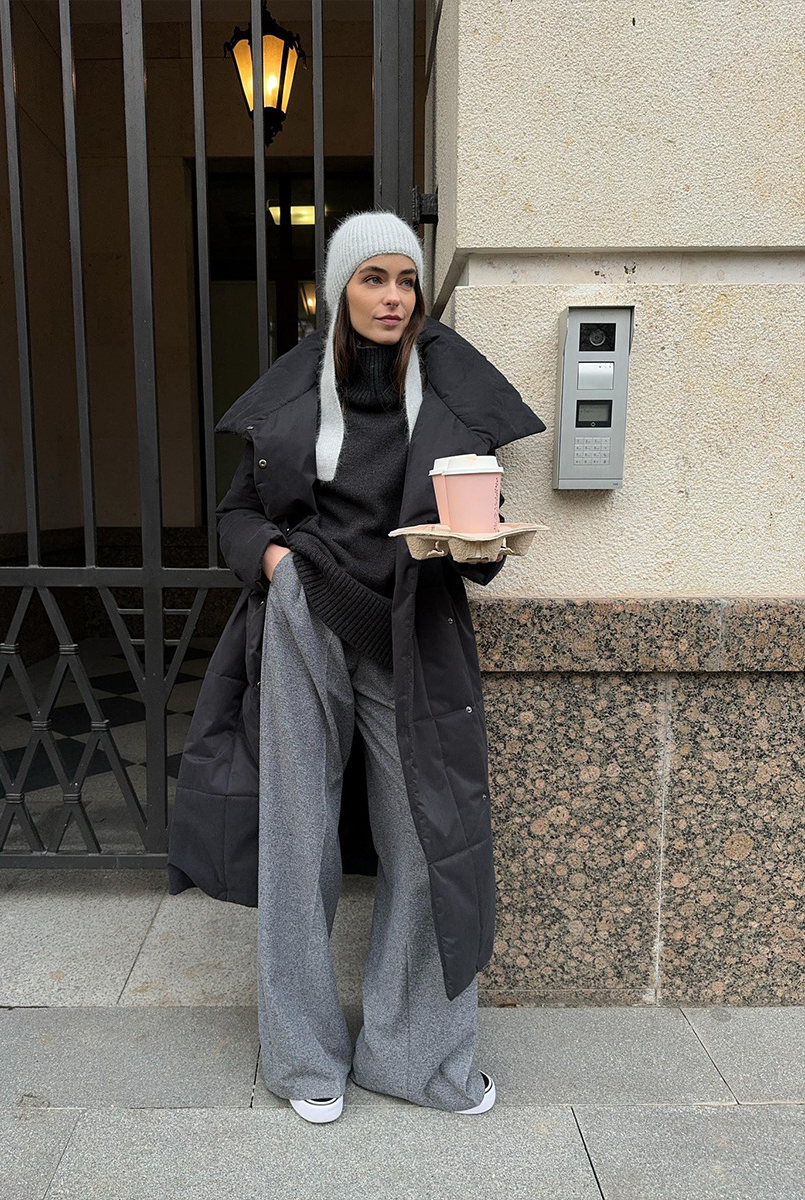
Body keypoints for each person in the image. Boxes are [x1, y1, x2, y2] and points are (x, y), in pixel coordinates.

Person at [167, 209, 547, 1125]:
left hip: (408, 631)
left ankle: (413, 1058)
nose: (393, 297)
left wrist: (481, 545)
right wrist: (277, 565)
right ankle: (304, 1060)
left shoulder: (449, 395)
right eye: (373, 278)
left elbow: (477, 540)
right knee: (299, 838)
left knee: (424, 838)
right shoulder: (297, 394)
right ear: (342, 289)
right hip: (307, 617)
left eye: (406, 280)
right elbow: (237, 513)